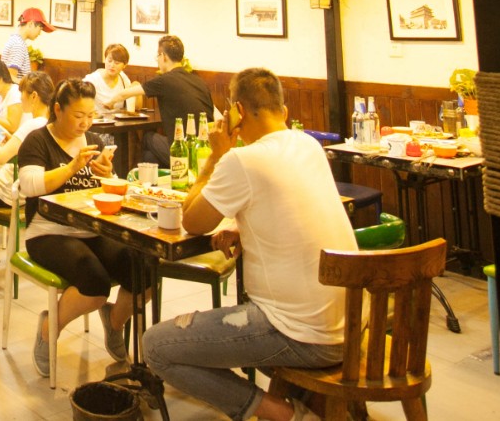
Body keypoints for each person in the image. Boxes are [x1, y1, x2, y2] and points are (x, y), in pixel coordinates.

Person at [144, 68, 356, 421]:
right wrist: (245, 229)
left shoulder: (242, 160)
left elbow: (192, 221)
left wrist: (216, 155)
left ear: (237, 111)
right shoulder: (307, 145)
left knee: (157, 346)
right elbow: (293, 209)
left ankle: (286, 415)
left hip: (298, 333)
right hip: (349, 324)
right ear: (283, 111)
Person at [17, 79, 143, 377]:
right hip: (48, 231)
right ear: (58, 110)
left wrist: (108, 175)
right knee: (95, 284)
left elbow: (110, 191)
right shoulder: (37, 141)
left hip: (94, 228)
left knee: (143, 269)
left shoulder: (95, 141)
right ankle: (49, 328)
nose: (85, 123)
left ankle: (115, 321)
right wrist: (71, 167)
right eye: (78, 116)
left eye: (90, 115)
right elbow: (30, 186)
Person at [116, 35, 214, 164]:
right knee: (150, 156)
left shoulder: (164, 81)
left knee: (148, 137)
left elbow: (124, 94)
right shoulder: (198, 81)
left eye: (157, 56)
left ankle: (141, 176)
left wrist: (107, 103)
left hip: (184, 150)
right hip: (208, 150)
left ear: (163, 56)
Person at [0, 70, 55, 207]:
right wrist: (12, 140)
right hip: (28, 193)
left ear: (34, 96)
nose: (20, 97)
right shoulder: (49, 123)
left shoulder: (32, 125)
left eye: (22, 92)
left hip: (7, 192)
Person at [0, 7, 52, 79]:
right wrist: (28, 84)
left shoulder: (15, 40)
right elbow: (11, 77)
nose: (40, 33)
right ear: (31, 24)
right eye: (40, 28)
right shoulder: (18, 45)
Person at [86, 43, 136, 116]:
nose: (112, 65)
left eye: (117, 63)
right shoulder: (92, 80)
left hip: (118, 120)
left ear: (125, 65)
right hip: (98, 120)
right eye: (109, 61)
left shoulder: (123, 78)